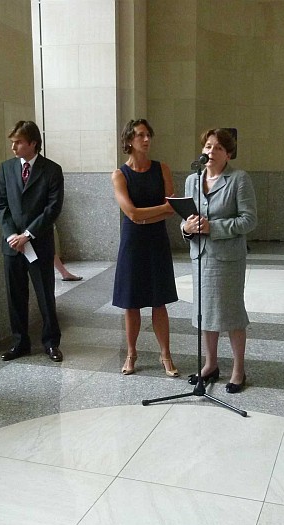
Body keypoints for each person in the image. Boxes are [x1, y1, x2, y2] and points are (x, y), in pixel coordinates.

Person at [182, 128, 257, 393]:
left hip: (227, 259)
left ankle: (238, 369)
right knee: (204, 312)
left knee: (232, 313)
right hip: (200, 256)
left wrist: (214, 227)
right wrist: (186, 228)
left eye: (218, 148)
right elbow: (187, 216)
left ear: (228, 154)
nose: (211, 151)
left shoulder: (238, 179)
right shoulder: (193, 180)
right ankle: (210, 364)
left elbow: (249, 220)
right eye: (207, 146)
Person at [111, 118, 179, 377]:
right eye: (140, 135)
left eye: (148, 134)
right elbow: (130, 213)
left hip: (156, 240)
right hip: (133, 243)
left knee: (159, 301)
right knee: (132, 302)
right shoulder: (120, 175)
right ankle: (131, 353)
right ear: (129, 140)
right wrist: (157, 210)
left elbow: (171, 209)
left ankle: (166, 354)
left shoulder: (162, 169)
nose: (147, 139)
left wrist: (144, 216)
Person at [0, 120, 64, 363]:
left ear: (33, 143)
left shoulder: (52, 170)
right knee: (15, 296)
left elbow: (53, 208)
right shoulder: (6, 169)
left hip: (39, 243)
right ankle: (20, 343)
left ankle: (51, 343)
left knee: (45, 295)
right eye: (12, 142)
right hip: (12, 246)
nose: (13, 147)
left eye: (18, 142)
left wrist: (28, 234)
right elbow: (0, 205)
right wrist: (11, 235)